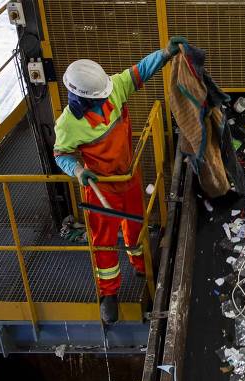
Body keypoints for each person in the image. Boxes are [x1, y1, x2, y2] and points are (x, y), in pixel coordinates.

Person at [53, 37, 187, 324]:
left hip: (128, 177)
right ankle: (109, 293)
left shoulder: (112, 89)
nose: (107, 100)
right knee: (103, 243)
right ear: (82, 99)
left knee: (135, 226)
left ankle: (141, 264)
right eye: (100, 99)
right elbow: (61, 154)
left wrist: (164, 53)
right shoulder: (67, 124)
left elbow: (139, 71)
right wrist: (78, 171)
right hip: (100, 189)